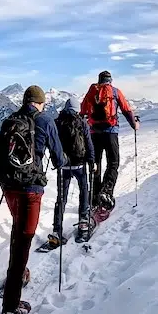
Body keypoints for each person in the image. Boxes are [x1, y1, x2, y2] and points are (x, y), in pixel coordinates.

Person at [0, 86, 64, 314]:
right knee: (24, 238)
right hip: (31, 189)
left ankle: (18, 273)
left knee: (17, 229)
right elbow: (58, 157)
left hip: (8, 186)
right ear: (40, 103)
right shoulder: (45, 120)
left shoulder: (10, 120)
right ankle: (10, 308)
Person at [80, 70, 138, 211]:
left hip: (94, 133)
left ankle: (94, 196)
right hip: (111, 132)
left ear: (99, 80)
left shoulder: (91, 92)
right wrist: (134, 125)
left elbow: (83, 111)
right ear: (110, 80)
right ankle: (106, 192)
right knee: (113, 162)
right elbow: (126, 109)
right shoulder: (115, 92)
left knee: (95, 164)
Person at [50, 98, 96, 246]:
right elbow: (88, 142)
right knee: (84, 190)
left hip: (64, 166)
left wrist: (56, 161)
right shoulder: (82, 121)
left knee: (61, 197)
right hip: (79, 165)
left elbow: (53, 144)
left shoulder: (57, 122)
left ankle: (57, 230)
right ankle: (83, 221)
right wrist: (92, 161)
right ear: (77, 109)